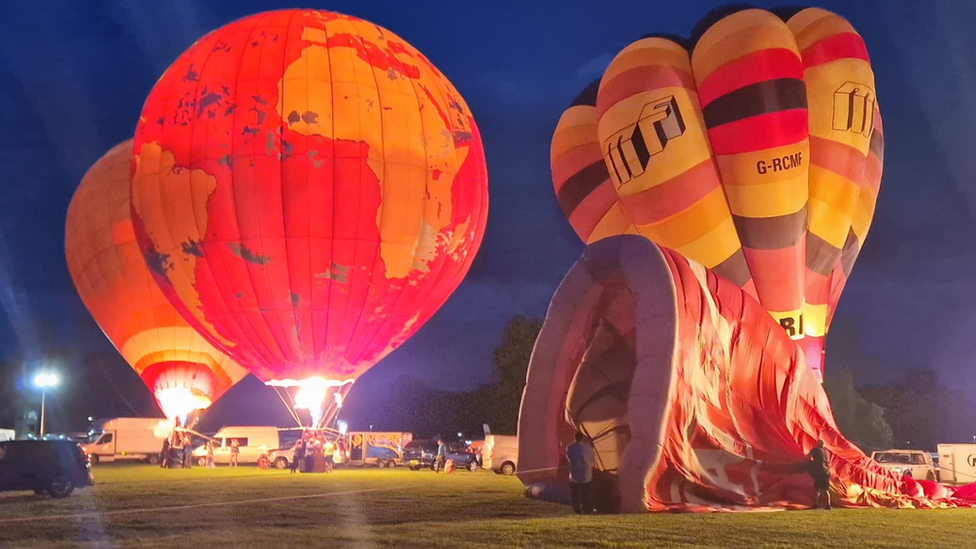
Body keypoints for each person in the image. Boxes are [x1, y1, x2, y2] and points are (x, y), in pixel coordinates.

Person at [566, 431, 596, 514]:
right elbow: (592, 460)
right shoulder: (587, 448)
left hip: (574, 475)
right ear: (582, 438)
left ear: (574, 438)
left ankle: (577, 509)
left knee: (576, 494)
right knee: (587, 493)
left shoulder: (570, 448)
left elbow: (569, 458)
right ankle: (587, 509)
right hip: (586, 475)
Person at [806, 439, 831, 510]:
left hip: (819, 471)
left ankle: (816, 504)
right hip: (827, 472)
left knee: (817, 489)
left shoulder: (815, 450)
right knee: (825, 490)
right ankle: (828, 505)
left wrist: (811, 464)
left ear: (818, 444)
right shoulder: (827, 452)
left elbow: (809, 457)